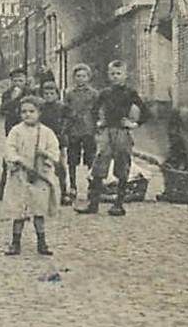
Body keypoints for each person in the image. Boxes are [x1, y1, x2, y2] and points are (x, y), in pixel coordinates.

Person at [78, 60, 150, 216]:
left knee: (122, 166)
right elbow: (93, 110)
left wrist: (134, 124)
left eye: (119, 74)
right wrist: (98, 122)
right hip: (106, 132)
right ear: (108, 75)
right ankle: (94, 204)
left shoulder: (130, 93)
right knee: (99, 165)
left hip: (122, 132)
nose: (116, 77)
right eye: (112, 74)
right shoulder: (105, 93)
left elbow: (146, 112)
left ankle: (119, 204)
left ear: (125, 75)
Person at [2, 95, 60, 255]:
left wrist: (45, 153)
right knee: (19, 210)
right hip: (20, 175)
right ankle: (15, 242)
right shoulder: (16, 131)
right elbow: (9, 149)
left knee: (38, 210)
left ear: (39, 113)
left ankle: (42, 242)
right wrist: (18, 160)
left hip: (40, 176)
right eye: (23, 112)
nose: (27, 114)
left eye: (31, 111)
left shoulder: (47, 133)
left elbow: (55, 153)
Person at [0, 65, 33, 201]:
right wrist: (13, 98)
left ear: (26, 81)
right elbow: (3, 109)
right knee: (8, 159)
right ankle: (1, 190)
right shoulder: (7, 94)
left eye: (20, 80)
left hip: (28, 129)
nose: (17, 83)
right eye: (15, 81)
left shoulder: (31, 93)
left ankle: (28, 192)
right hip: (11, 130)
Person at [61, 63, 100, 206]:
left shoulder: (94, 94)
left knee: (90, 159)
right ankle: (73, 187)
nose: (80, 79)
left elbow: (97, 112)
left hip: (89, 130)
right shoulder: (69, 93)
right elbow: (65, 111)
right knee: (72, 160)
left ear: (88, 78)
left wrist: (97, 126)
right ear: (74, 78)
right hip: (74, 130)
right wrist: (65, 128)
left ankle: (91, 187)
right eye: (78, 76)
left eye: (83, 76)